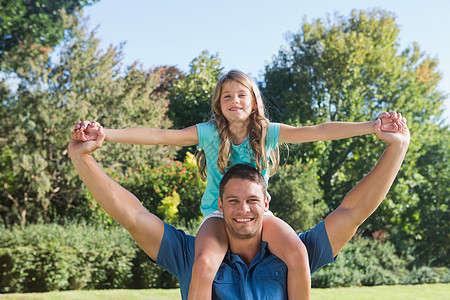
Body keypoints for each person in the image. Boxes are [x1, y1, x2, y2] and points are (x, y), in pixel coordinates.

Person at [73, 70, 404, 300]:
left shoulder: (268, 132)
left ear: (254, 101)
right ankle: (229, 211)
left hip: (262, 216)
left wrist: (372, 127)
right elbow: (160, 136)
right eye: (227, 96)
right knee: (204, 263)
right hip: (215, 219)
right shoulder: (209, 134)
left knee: (298, 253)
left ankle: (251, 206)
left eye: (242, 94)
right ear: (218, 104)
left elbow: (318, 130)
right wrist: (106, 135)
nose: (235, 101)